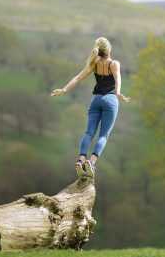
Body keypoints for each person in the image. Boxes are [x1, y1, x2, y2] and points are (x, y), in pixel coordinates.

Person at [51, 37, 130, 177]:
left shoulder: (94, 64)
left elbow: (77, 78)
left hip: (96, 100)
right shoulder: (114, 64)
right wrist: (118, 93)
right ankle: (91, 162)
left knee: (88, 132)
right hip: (110, 100)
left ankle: (81, 159)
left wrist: (64, 90)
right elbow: (118, 79)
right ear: (109, 49)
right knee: (104, 135)